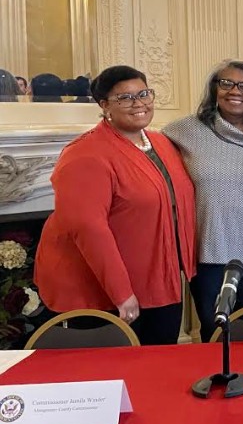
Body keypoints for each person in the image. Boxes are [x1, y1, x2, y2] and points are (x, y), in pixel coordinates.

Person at [34, 65, 197, 345]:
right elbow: (88, 229)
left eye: (144, 93)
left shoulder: (161, 143)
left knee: (159, 364)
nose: (139, 103)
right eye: (125, 98)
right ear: (105, 106)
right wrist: (121, 293)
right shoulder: (85, 154)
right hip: (108, 291)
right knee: (115, 373)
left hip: (161, 279)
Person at [164, 60, 243, 343]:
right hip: (209, 251)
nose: (235, 91)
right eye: (226, 83)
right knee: (214, 333)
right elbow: (146, 150)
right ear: (214, 89)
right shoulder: (186, 130)